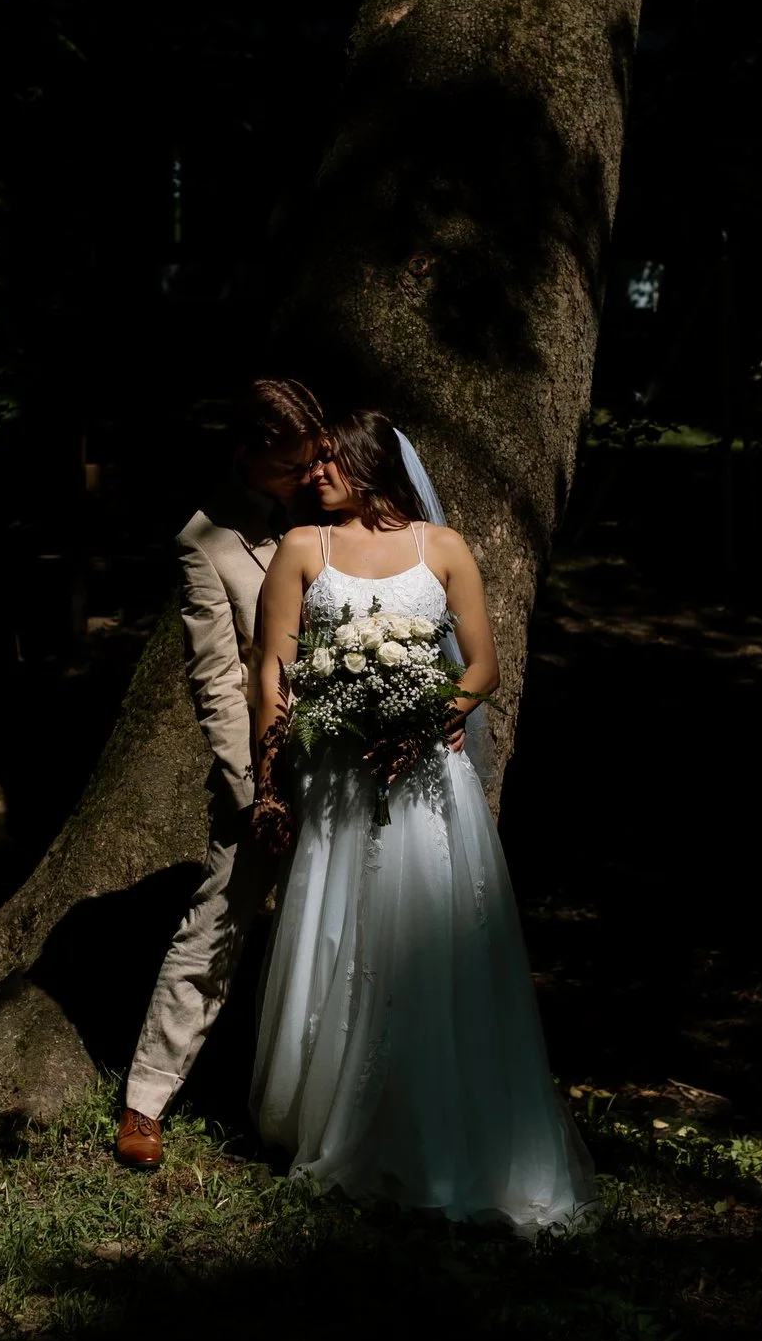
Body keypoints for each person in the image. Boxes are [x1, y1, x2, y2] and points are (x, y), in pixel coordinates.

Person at [244, 409, 597, 1233]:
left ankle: (436, 1121)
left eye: (329, 460)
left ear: (371, 463)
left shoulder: (444, 548)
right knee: (342, 934)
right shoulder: (304, 548)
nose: (314, 474)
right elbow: (274, 669)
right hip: (334, 775)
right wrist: (272, 780)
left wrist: (432, 713)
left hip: (426, 781)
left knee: (430, 939)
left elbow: (484, 663)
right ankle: (328, 1116)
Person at [114, 377, 329, 1170]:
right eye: (287, 465)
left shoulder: (325, 506)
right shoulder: (203, 542)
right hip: (264, 767)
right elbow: (215, 681)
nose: (303, 477)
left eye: (310, 461)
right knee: (215, 928)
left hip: (345, 764)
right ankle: (146, 1100)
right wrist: (256, 788)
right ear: (247, 454)